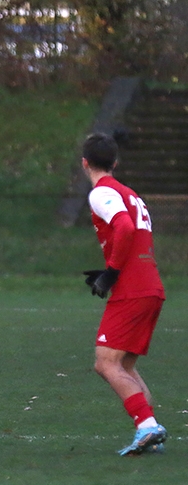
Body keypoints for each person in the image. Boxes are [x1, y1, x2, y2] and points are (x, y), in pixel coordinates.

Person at [80, 132, 167, 456]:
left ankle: (147, 426)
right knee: (124, 366)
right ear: (115, 162)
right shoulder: (130, 193)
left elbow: (126, 228)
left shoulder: (102, 192)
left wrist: (113, 272)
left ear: (85, 163)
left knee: (106, 363)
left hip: (133, 289)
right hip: (149, 286)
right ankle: (150, 431)